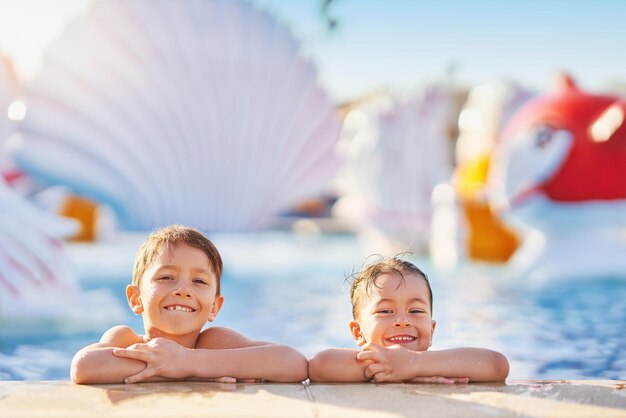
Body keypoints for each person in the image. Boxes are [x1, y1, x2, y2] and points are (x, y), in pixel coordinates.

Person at [71, 225, 308, 384]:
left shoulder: (214, 343)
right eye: (166, 277)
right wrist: (178, 370)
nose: (183, 290)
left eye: (199, 281)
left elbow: (294, 363)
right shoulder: (127, 340)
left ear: (214, 307)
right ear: (136, 298)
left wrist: (190, 363)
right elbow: (84, 367)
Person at [308, 256, 510, 383]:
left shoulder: (437, 363)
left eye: (415, 311)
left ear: (432, 330)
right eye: (386, 311)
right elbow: (319, 365)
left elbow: (497, 365)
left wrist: (415, 364)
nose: (403, 321)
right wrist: (391, 367)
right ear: (358, 333)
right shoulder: (360, 363)